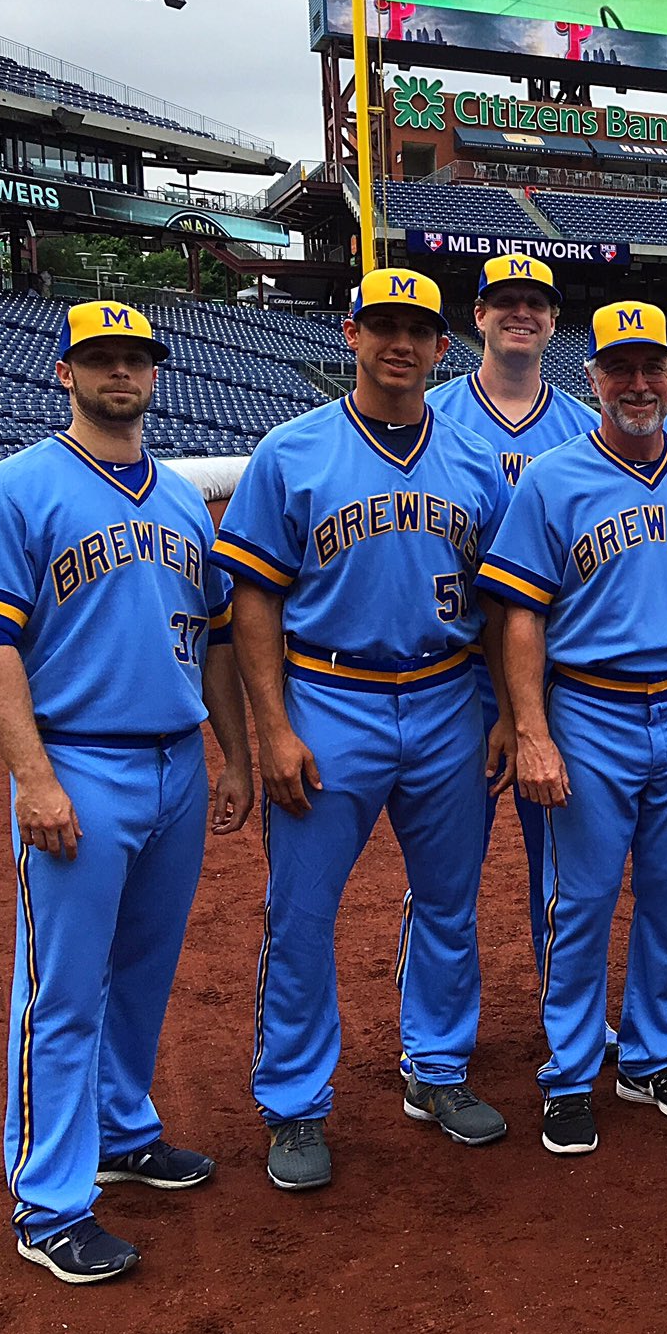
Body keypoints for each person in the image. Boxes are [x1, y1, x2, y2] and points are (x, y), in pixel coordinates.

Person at [0, 301, 254, 1283]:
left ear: (156, 374)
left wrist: (233, 756)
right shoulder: (12, 488)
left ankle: (121, 1130)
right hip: (79, 760)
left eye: (136, 359)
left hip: (174, 760)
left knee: (144, 969)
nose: (122, 373)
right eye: (101, 360)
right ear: (65, 372)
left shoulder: (183, 501)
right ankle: (49, 1200)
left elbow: (219, 640)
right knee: (60, 993)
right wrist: (34, 779)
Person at [213, 269, 510, 1191]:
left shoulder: (472, 460)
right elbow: (254, 597)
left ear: (440, 347)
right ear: (350, 334)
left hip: (448, 698)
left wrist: (504, 712)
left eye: (416, 330)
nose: (400, 344)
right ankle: (295, 1104)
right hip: (329, 698)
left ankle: (437, 1069)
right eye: (383, 325)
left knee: (449, 906)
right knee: (300, 915)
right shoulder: (291, 451)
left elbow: (504, 607)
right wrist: (273, 728)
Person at [477, 302, 667, 1155]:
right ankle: (569, 1074)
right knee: (584, 900)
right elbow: (520, 616)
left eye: (653, 368)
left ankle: (648, 1056)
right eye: (621, 368)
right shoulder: (554, 478)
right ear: (594, 377)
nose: (638, 384)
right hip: (590, 706)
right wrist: (531, 730)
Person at [426, 255, 598, 992]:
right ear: (479, 317)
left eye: (536, 303)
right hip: (454, 676)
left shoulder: (588, 428)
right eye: (505, 302)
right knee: (444, 871)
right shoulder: (433, 415)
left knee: (562, 865)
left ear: (554, 321)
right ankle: (434, 1041)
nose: (520, 313)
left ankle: (568, 1018)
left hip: (555, 676)